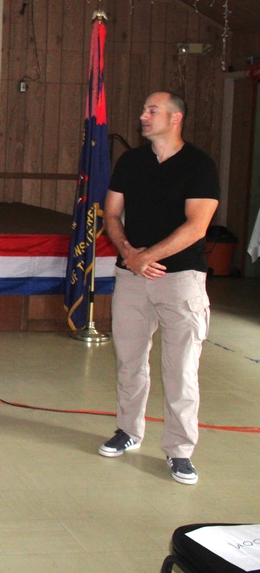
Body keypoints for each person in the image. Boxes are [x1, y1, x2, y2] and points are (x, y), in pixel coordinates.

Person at [99, 91, 219, 485]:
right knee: (129, 361)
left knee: (181, 369)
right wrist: (130, 254)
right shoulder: (131, 161)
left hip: (181, 279)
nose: (143, 115)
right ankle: (128, 430)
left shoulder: (199, 165)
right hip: (132, 277)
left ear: (176, 117)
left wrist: (147, 256)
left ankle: (180, 450)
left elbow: (196, 226)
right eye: (144, 108)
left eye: (152, 110)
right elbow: (111, 213)